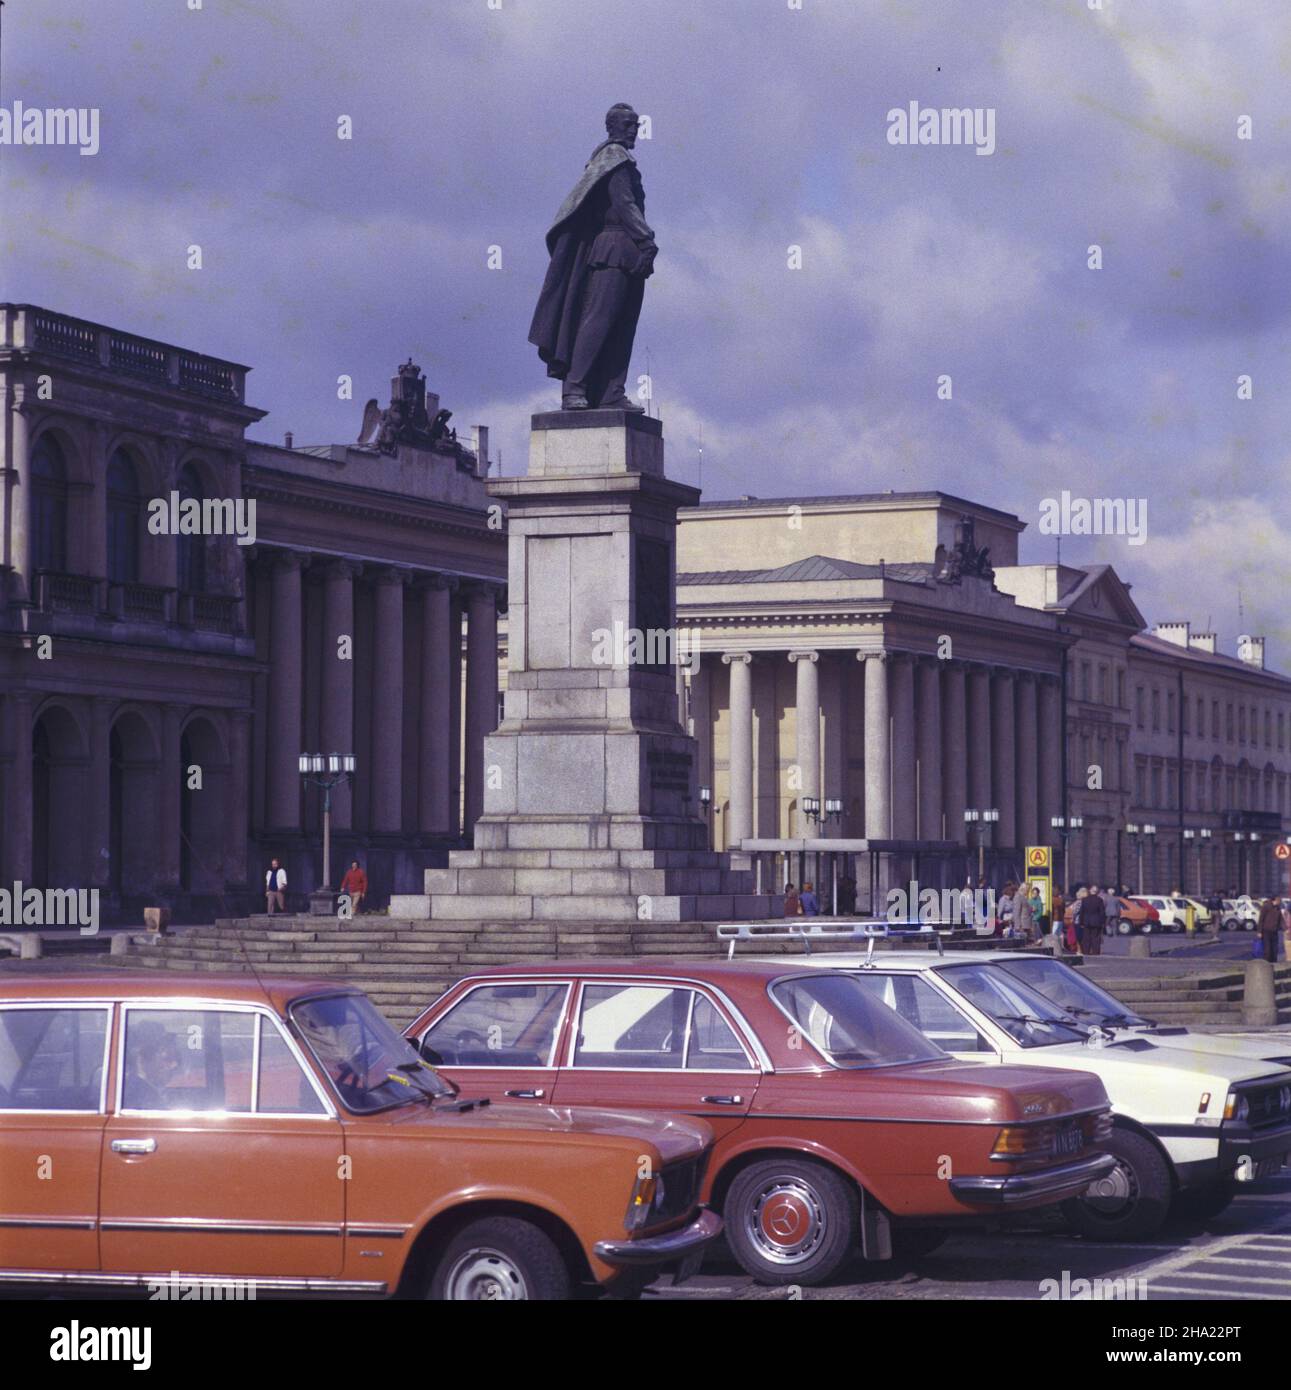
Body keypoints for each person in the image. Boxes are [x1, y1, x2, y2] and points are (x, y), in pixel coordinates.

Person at [123, 1022, 181, 1111]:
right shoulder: (140, 1098)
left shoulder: (151, 1090)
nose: (174, 1065)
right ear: (142, 1057)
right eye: (167, 1058)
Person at [1079, 883, 1107, 956]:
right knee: (1096, 938)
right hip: (1096, 922)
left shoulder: (1084, 900)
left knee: (1086, 938)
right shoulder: (1099, 900)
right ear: (1096, 892)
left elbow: (1082, 912)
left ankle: (1086, 951)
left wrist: (1081, 922)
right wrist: (1102, 922)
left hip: (1086, 921)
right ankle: (1095, 952)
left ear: (1090, 891)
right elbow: (1102, 912)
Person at [1257, 895, 1282, 963]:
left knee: (1275, 949)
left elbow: (1280, 919)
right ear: (1275, 900)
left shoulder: (1278, 908)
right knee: (1267, 950)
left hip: (1274, 931)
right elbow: (1261, 919)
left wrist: (1285, 928)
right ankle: (1267, 964)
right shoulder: (1266, 906)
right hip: (1266, 931)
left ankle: (1274, 964)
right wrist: (1259, 931)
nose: (1280, 901)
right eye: (1279, 899)